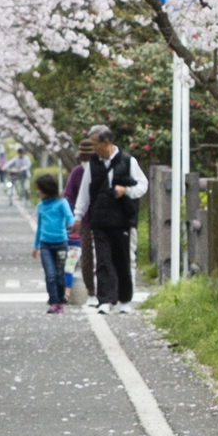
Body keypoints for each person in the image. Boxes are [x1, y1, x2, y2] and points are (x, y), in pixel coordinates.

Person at [73, 128, 148, 305]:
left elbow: (143, 185)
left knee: (124, 259)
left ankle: (125, 298)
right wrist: (78, 215)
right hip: (100, 219)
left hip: (123, 219)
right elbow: (84, 192)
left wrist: (126, 191)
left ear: (106, 141)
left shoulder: (128, 161)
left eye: (94, 143)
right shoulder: (93, 164)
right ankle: (106, 299)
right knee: (102, 260)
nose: (92, 148)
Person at [32, 172, 76, 311]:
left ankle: (60, 301)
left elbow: (70, 217)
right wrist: (35, 246)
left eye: (39, 189)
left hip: (61, 244)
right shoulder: (40, 207)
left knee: (59, 274)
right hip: (45, 244)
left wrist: (75, 226)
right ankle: (53, 301)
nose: (38, 192)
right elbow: (39, 227)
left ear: (47, 189)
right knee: (50, 274)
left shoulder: (61, 203)